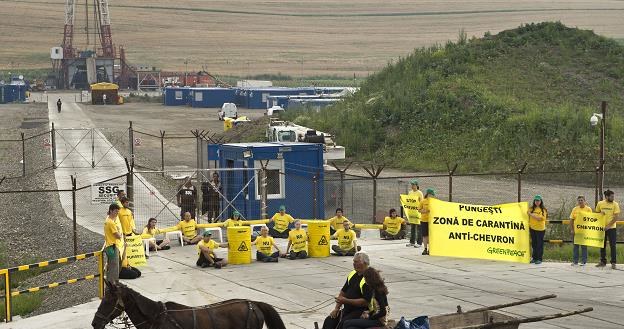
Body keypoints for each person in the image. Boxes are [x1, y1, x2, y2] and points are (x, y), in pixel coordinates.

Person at [322, 252, 373, 329]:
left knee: (344, 323)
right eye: (353, 261)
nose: (354, 264)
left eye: (356, 262)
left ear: (364, 263)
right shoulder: (352, 273)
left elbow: (365, 302)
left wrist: (346, 300)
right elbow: (343, 291)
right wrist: (336, 308)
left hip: (361, 310)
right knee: (329, 320)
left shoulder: (368, 278)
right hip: (348, 308)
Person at [596, 190, 620, 269]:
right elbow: (596, 214)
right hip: (602, 228)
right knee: (602, 245)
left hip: (611, 228)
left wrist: (608, 226)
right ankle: (603, 261)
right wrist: (600, 214)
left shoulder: (615, 204)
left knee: (613, 245)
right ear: (606, 197)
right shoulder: (600, 203)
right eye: (611, 196)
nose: (613, 198)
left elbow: (616, 217)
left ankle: (613, 262)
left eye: (613, 196)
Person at [569, 196, 591, 266]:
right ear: (577, 201)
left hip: (584, 231)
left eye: (582, 200)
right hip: (576, 231)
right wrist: (572, 229)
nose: (580, 202)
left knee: (584, 247)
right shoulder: (575, 209)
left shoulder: (588, 209)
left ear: (585, 201)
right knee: (575, 247)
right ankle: (575, 261)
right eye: (579, 200)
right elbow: (571, 220)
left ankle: (584, 261)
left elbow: (591, 220)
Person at [103, 203, 123, 283]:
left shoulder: (108, 220)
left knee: (111, 265)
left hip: (109, 245)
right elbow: (118, 236)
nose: (117, 213)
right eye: (116, 211)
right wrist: (120, 233)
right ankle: (113, 283)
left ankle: (110, 282)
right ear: (111, 211)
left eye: (118, 212)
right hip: (113, 246)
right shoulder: (111, 223)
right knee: (114, 266)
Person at [528, 195, 548, 265]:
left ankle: (539, 258)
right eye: (536, 200)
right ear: (534, 201)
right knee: (534, 244)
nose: (537, 202)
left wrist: (531, 214)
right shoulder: (531, 208)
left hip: (540, 230)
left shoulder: (543, 209)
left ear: (541, 201)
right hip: (532, 228)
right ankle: (534, 258)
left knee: (539, 244)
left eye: (538, 201)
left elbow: (540, 219)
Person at [406, 179, 424, 248]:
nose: (412, 186)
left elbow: (421, 202)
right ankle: (412, 242)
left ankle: (419, 242)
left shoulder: (419, 193)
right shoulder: (410, 192)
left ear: (417, 185)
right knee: (412, 227)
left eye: (414, 185)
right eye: (412, 185)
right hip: (412, 212)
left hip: (418, 212)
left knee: (419, 228)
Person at [418, 188, 435, 255]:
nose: (433, 196)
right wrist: (424, 211)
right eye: (431, 194)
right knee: (425, 235)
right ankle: (425, 248)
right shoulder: (423, 201)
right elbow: (419, 210)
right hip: (424, 220)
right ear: (428, 194)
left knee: (431, 235)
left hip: (432, 221)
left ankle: (430, 249)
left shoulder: (434, 201)